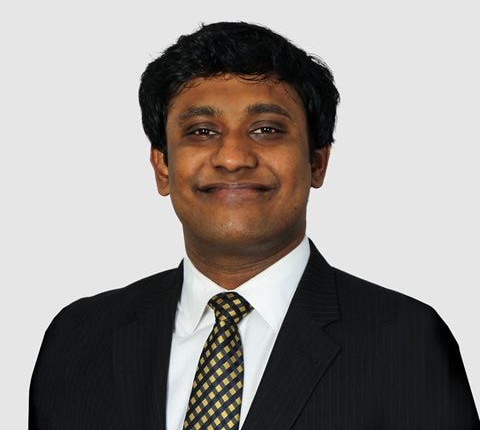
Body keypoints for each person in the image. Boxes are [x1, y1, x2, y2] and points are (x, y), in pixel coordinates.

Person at [29, 22, 479, 429]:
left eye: (266, 129)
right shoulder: (77, 339)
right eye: (202, 131)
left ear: (317, 162)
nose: (232, 158)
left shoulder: (405, 340)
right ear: (162, 167)